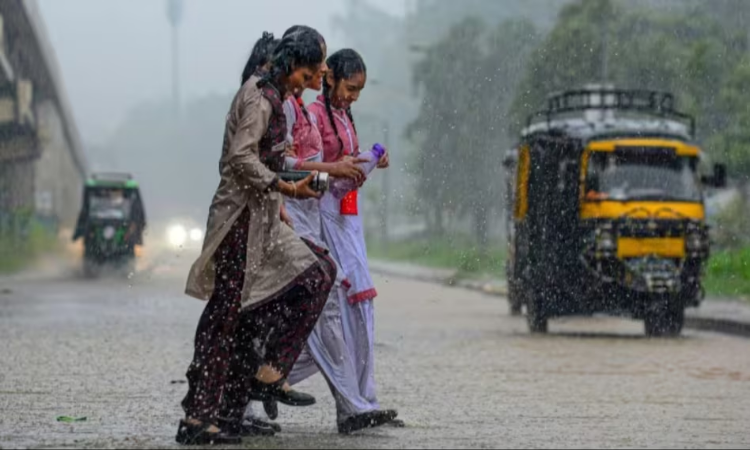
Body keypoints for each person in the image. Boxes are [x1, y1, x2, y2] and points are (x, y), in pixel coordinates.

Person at [177, 29, 335, 446]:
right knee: (226, 317)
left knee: (313, 275)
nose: (315, 76)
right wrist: (286, 189)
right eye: (310, 69)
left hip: (264, 219)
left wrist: (288, 188)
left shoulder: (280, 99)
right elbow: (240, 158)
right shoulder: (262, 97)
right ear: (289, 65)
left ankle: (263, 378)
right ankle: (200, 417)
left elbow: (270, 157)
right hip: (238, 222)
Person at [245, 27, 399, 435]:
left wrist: (359, 162)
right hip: (301, 215)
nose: (318, 73)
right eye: (315, 68)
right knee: (322, 308)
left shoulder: (305, 107)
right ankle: (266, 389)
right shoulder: (285, 107)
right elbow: (271, 165)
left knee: (343, 311)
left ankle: (349, 400)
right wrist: (333, 169)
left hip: (331, 216)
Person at [307, 48, 401, 427]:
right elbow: (306, 173)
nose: (352, 96)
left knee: (360, 311)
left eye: (359, 91)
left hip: (348, 220)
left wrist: (369, 159)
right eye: (349, 87)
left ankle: (363, 400)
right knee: (332, 314)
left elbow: (342, 165)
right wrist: (340, 169)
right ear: (328, 78)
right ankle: (351, 405)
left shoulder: (345, 116)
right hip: (321, 220)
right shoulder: (312, 117)